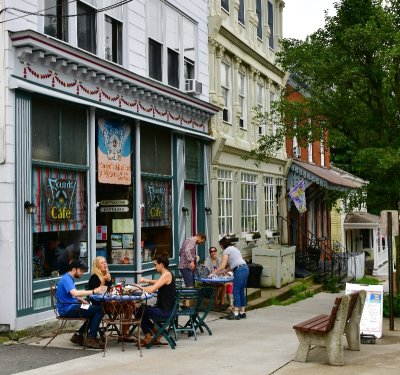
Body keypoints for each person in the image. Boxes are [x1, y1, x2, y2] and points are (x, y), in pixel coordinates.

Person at [56, 260, 107, 349]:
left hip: (71, 306)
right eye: (81, 271)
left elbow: (71, 294)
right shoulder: (67, 279)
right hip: (69, 309)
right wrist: (94, 291)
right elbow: (75, 293)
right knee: (99, 310)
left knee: (93, 310)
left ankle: (79, 335)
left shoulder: (68, 278)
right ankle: (91, 338)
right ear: (74, 269)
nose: (82, 273)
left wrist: (81, 300)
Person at [138, 255, 176, 346]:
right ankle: (158, 332)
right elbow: (158, 282)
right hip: (166, 308)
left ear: (161, 264)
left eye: (155, 265)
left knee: (140, 311)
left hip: (165, 311)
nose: (154, 267)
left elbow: (152, 290)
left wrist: (138, 288)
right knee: (141, 310)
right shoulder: (167, 274)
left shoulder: (166, 275)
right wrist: (146, 280)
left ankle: (148, 337)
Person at [209, 236, 249, 320]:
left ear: (222, 245)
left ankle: (236, 313)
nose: (220, 247)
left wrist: (213, 273)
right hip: (245, 268)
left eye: (220, 246)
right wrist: (221, 272)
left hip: (239, 270)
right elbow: (230, 267)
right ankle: (242, 312)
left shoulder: (226, 251)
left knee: (236, 291)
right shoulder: (234, 249)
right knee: (241, 291)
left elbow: (223, 265)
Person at [204, 246, 227, 310]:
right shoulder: (207, 260)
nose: (213, 252)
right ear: (210, 253)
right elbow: (206, 270)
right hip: (210, 279)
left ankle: (221, 303)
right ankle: (216, 303)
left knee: (225, 285)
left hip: (219, 278)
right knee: (217, 285)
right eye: (211, 251)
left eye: (214, 251)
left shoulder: (219, 259)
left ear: (216, 252)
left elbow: (222, 269)